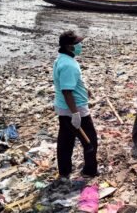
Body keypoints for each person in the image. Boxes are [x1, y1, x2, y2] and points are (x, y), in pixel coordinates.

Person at [53, 30, 98, 179]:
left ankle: (64, 171)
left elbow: (70, 84)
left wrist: (85, 89)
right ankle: (90, 170)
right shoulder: (68, 65)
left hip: (63, 108)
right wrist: (75, 114)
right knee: (90, 140)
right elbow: (67, 91)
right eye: (77, 43)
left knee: (66, 140)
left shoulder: (62, 59)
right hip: (75, 108)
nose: (80, 45)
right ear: (69, 46)